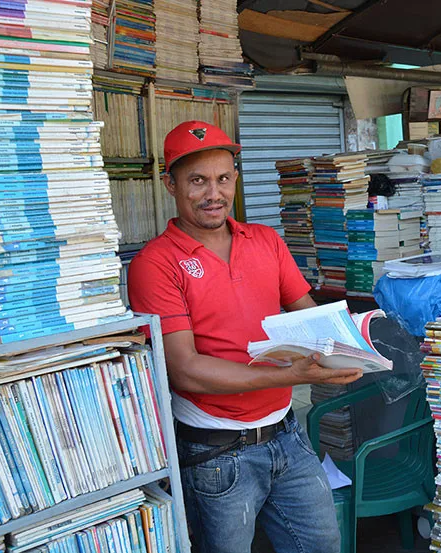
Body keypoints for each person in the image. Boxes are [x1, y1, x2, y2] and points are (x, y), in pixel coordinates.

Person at [128, 120, 362, 553]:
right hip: (217, 452)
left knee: (323, 545)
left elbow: (311, 316)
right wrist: (292, 375)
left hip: (287, 434)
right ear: (171, 185)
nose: (213, 193)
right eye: (197, 181)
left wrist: (352, 346)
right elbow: (186, 371)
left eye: (222, 178)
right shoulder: (154, 264)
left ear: (235, 179)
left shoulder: (266, 241)